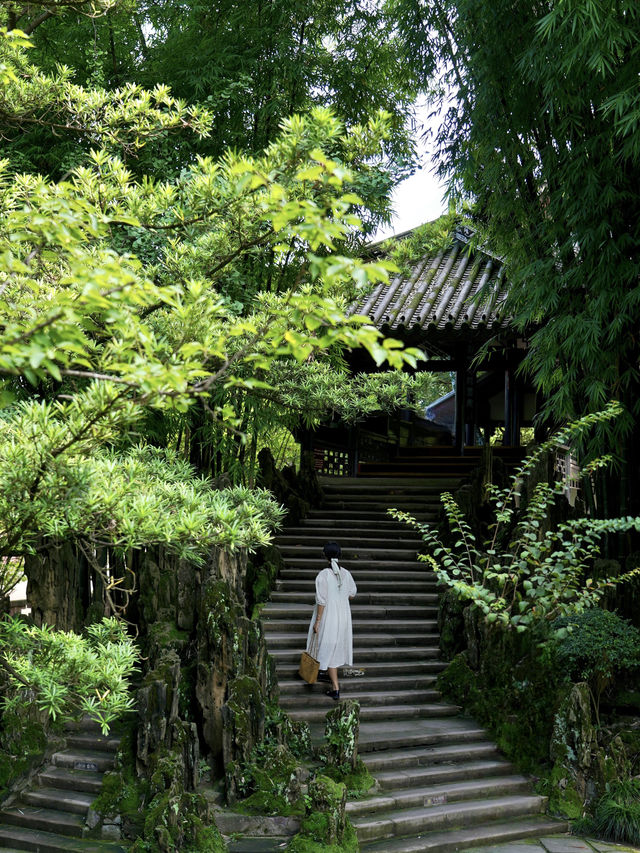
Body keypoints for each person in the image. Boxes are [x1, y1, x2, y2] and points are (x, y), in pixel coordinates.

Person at [306, 541, 357, 700]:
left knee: (325, 643)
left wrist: (318, 621)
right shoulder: (346, 574)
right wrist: (340, 594)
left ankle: (335, 687)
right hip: (343, 617)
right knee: (333, 646)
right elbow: (352, 594)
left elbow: (322, 601)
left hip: (329, 616)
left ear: (324, 556)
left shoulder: (324, 575)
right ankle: (325, 673)